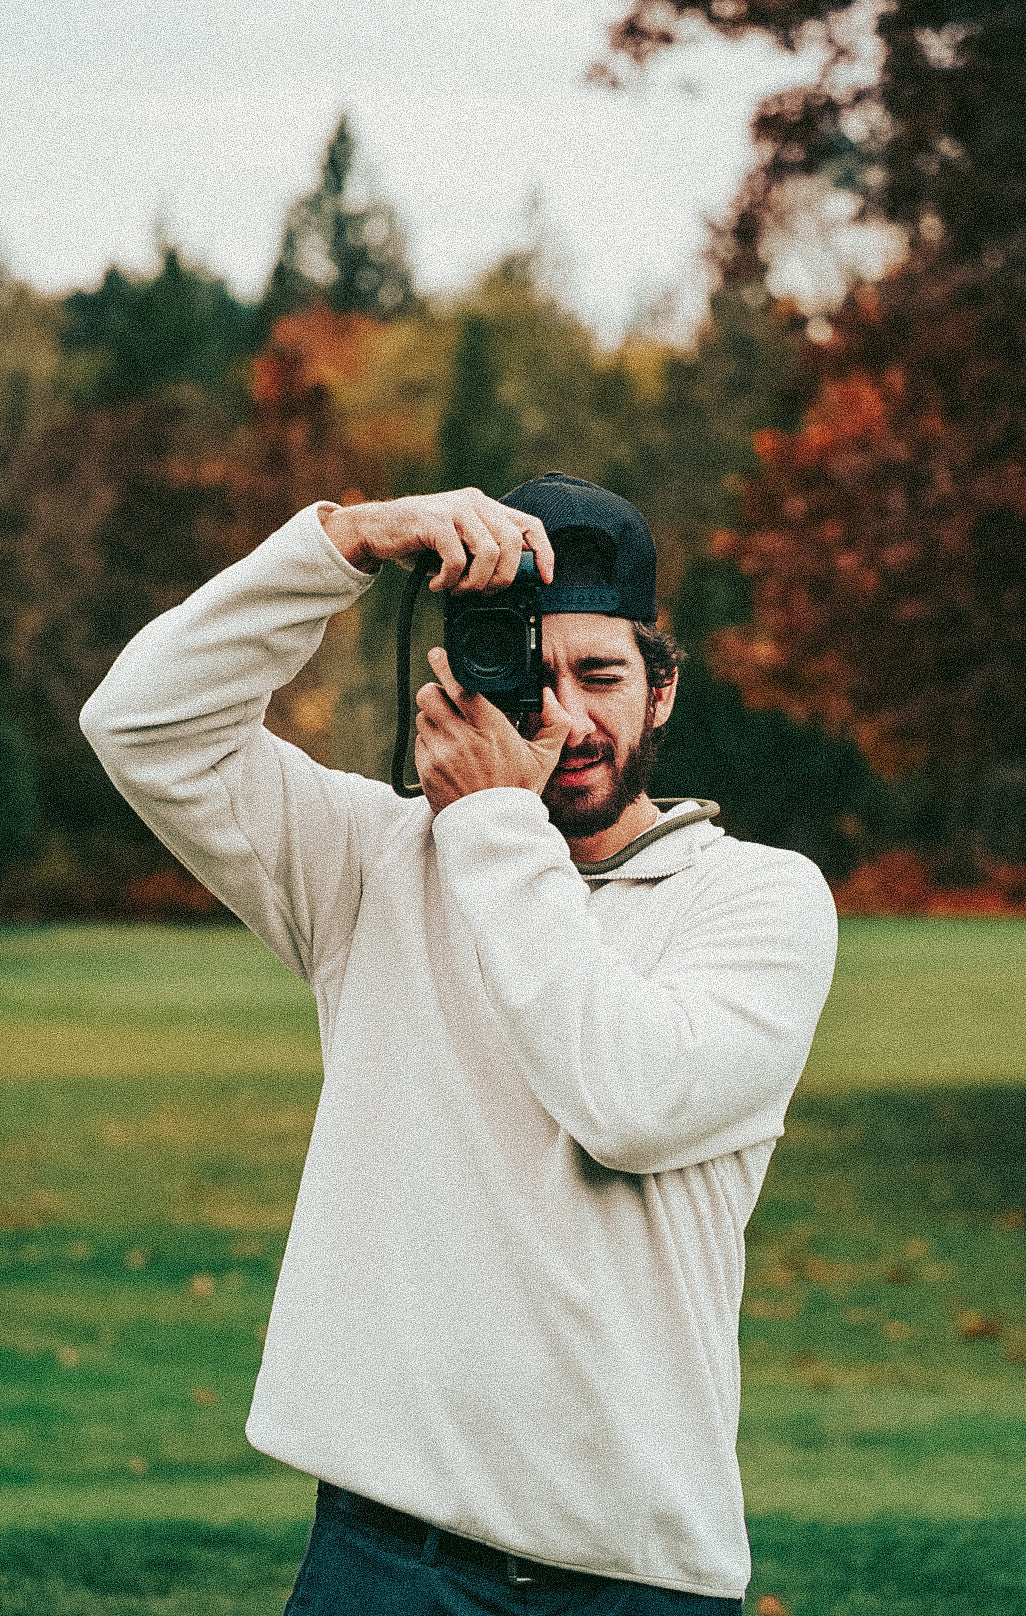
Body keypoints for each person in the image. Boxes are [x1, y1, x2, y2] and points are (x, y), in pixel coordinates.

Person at [81, 474, 837, 1614]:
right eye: (528, 675)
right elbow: (140, 724)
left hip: (635, 1574)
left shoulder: (760, 898)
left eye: (602, 675)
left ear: (664, 689)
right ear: (459, 674)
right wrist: (342, 542)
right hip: (387, 1560)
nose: (567, 719)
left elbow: (626, 1097)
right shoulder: (374, 862)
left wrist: (490, 821)